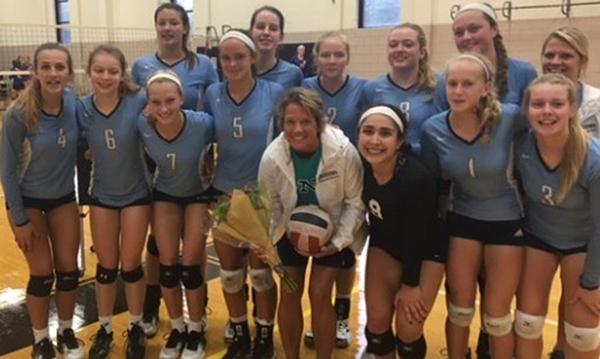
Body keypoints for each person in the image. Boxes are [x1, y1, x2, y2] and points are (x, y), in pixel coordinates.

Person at [420, 53, 524, 359]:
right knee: (460, 309)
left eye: (468, 84)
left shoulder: (510, 118)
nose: (458, 91)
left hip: (506, 222)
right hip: (462, 220)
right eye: (452, 84)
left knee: (497, 315)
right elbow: (434, 186)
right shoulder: (433, 129)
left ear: (486, 87)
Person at [131, 2, 218, 337]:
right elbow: (133, 111)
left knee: (192, 249)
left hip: (192, 149)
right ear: (156, 27)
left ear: (185, 28)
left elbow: (213, 111)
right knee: (159, 245)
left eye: (174, 22)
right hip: (156, 155)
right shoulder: (141, 66)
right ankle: (154, 305)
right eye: (162, 22)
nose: (168, 28)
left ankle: (197, 311)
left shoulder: (204, 65)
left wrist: (210, 154)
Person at [258, 88, 365, 359]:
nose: (297, 129)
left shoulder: (343, 152)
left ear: (319, 122)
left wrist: (338, 242)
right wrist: (270, 242)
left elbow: (355, 202)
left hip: (332, 233)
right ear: (282, 123)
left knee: (319, 294)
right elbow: (269, 204)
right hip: (288, 231)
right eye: (290, 122)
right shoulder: (272, 157)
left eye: (305, 121)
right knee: (289, 292)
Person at [203, 29, 284, 359]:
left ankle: (264, 334)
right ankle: (239, 331)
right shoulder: (211, 93)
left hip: (262, 197)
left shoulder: (274, 91)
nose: (233, 63)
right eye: (226, 57)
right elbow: (202, 133)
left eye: (239, 56)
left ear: (253, 58)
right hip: (224, 194)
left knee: (262, 274)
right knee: (230, 273)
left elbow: (289, 142)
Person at [1, 42, 83, 359]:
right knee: (42, 275)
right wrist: (19, 219)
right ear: (35, 71)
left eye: (59, 67)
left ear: (68, 72)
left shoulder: (74, 103)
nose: (52, 73)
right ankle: (40, 339)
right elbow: (7, 172)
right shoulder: (19, 114)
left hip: (63, 199)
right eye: (45, 67)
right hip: (28, 203)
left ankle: (65, 331)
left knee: (68, 272)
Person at [514, 73, 600, 359]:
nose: (547, 111)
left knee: (583, 333)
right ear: (527, 110)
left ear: (572, 109)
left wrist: (592, 283)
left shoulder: (593, 159)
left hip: (583, 245)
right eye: (538, 104)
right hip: (539, 239)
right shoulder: (521, 147)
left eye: (557, 104)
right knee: (527, 323)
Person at [78, 45, 150, 359]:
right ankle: (104, 328)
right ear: (89, 72)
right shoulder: (81, 107)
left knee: (131, 266)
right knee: (106, 268)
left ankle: (135, 327)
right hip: (102, 195)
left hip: (137, 194)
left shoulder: (139, 99)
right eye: (99, 70)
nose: (105, 77)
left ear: (122, 74)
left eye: (112, 71)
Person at [359, 105, 446, 359]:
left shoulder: (416, 178)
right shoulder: (360, 168)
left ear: (400, 141)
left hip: (426, 251)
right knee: (376, 325)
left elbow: (416, 237)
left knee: (408, 329)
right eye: (368, 131)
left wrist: (410, 285)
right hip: (385, 243)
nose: (375, 141)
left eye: (385, 133)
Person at [138, 70, 214, 359]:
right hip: (166, 196)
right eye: (155, 102)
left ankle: (196, 329)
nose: (164, 108)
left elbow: (229, 144)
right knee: (167, 265)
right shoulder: (142, 125)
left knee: (191, 266)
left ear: (182, 98)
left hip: (198, 195)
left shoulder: (203, 124)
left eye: (170, 100)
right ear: (148, 104)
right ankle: (178, 328)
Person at [301, 30, 367, 348]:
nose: (331, 60)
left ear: (347, 57)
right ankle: (319, 318)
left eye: (338, 54)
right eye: (325, 54)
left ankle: (340, 318)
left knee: (344, 256)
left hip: (348, 183)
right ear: (316, 57)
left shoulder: (363, 89)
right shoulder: (305, 89)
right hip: (311, 182)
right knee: (312, 248)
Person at [539, 26, 600, 359]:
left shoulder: (596, 103)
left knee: (583, 310)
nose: (556, 61)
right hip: (544, 224)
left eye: (566, 55)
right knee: (535, 312)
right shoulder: (537, 98)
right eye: (550, 54)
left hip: (589, 225)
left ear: (583, 61)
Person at [437, 2, 537, 111]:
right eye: (459, 33)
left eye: (474, 29)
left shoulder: (523, 73)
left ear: (494, 29)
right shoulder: (445, 80)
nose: (466, 37)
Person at [363, 23, 440, 153]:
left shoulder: (439, 86)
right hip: (386, 165)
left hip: (428, 165)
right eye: (393, 45)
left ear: (421, 52)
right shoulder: (371, 89)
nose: (399, 49)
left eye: (408, 44)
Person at [250, 5, 303, 90]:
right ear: (251, 32)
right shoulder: (239, 71)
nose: (266, 32)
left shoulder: (293, 74)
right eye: (260, 27)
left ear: (281, 36)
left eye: (273, 28)